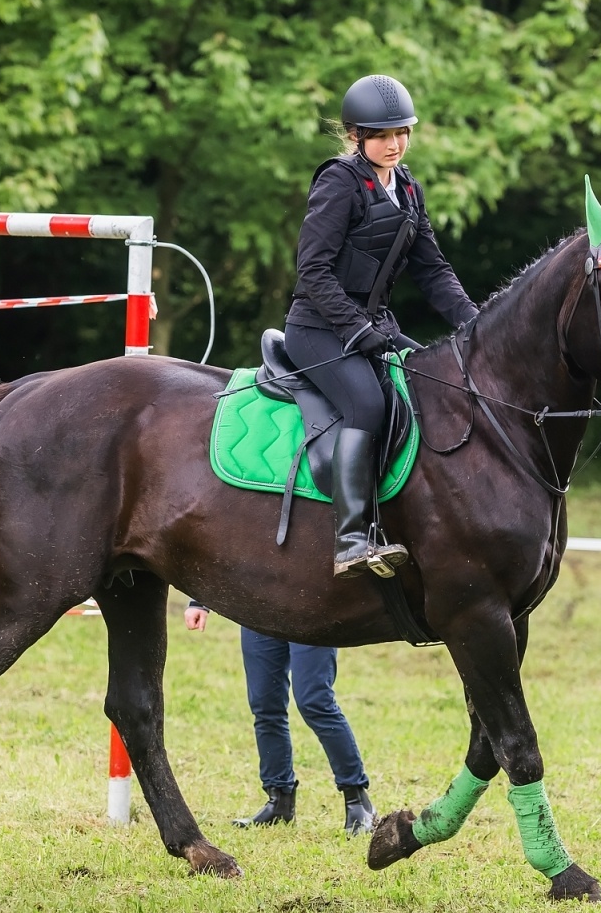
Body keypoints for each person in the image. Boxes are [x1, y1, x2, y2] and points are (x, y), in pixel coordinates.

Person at [288, 74, 480, 577]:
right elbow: (313, 271)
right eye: (381, 135)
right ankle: (351, 538)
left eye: (402, 133)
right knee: (367, 403)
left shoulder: (408, 188)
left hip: (370, 325)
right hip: (318, 329)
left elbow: (433, 270)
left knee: (433, 383)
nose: (394, 144)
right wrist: (356, 328)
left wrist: (477, 325)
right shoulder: (338, 182)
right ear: (356, 136)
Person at [183, 599, 375, 835]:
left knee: (315, 701)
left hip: (310, 606)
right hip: (257, 608)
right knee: (265, 706)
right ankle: (279, 801)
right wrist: (200, 602)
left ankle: (357, 801)